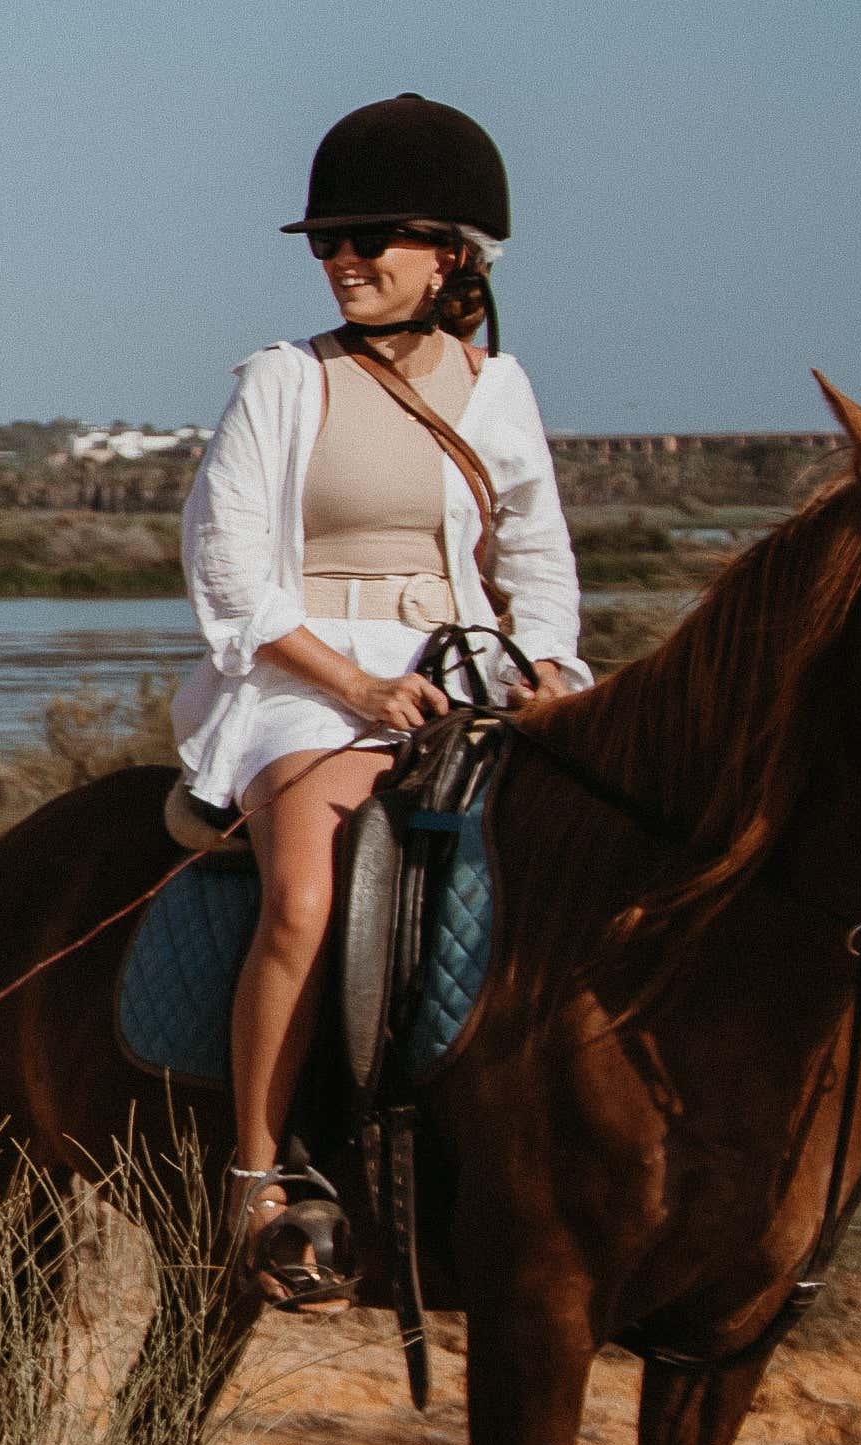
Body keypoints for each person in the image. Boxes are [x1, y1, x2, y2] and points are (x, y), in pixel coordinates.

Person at [171, 93, 585, 1310]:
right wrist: (352, 682)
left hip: (468, 673)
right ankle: (254, 1175)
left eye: (372, 240)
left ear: (453, 254)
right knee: (306, 890)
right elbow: (228, 568)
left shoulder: (498, 390)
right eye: (327, 244)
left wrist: (546, 663)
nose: (343, 260)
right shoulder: (282, 385)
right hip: (305, 682)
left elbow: (538, 558)